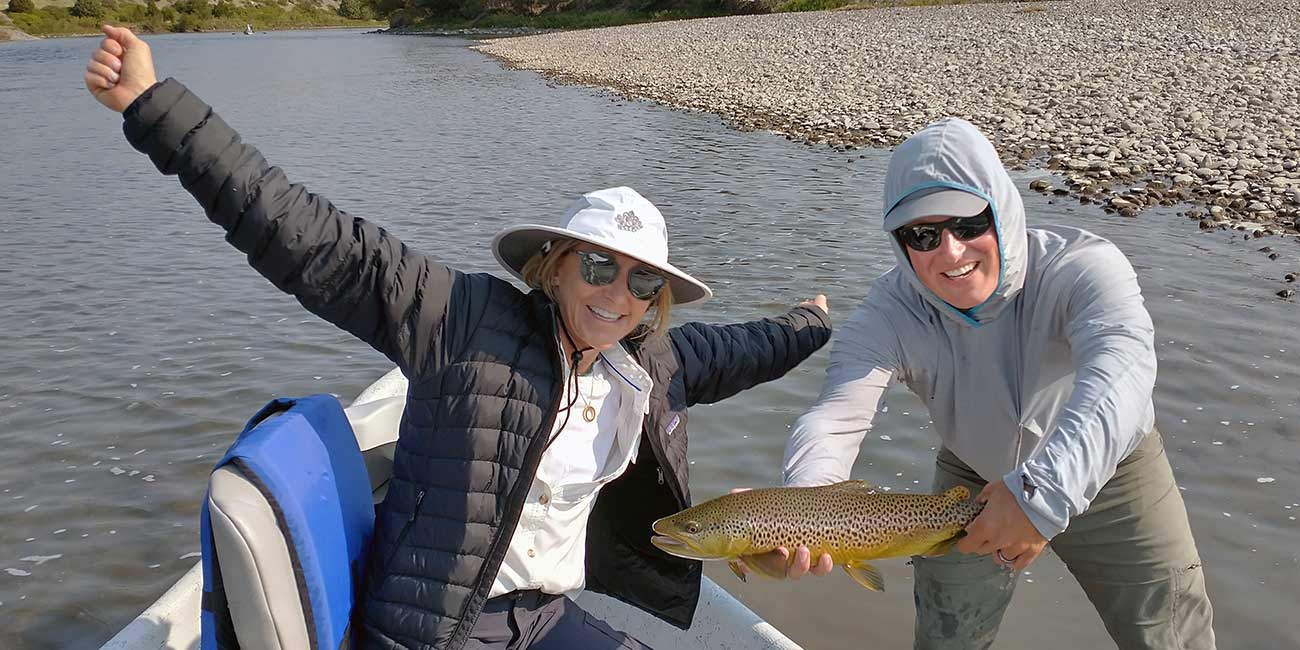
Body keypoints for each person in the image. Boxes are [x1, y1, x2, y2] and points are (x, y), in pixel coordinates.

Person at [84, 26, 833, 650]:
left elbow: (749, 349)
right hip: (440, 631)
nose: (617, 295)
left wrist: (816, 322)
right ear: (556, 265)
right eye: (601, 265)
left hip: (545, 619)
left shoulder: (651, 362)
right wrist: (155, 109)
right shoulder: (459, 320)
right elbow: (303, 234)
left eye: (643, 283)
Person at [768, 117, 1216, 649]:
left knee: (1171, 636)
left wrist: (1039, 496)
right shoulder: (887, 314)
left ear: (1001, 210)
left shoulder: (1085, 268)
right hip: (972, 470)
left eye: (968, 223)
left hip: (1116, 470)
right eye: (923, 235)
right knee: (945, 637)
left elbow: (1123, 372)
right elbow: (835, 417)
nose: (951, 252)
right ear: (899, 242)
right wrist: (802, 508)